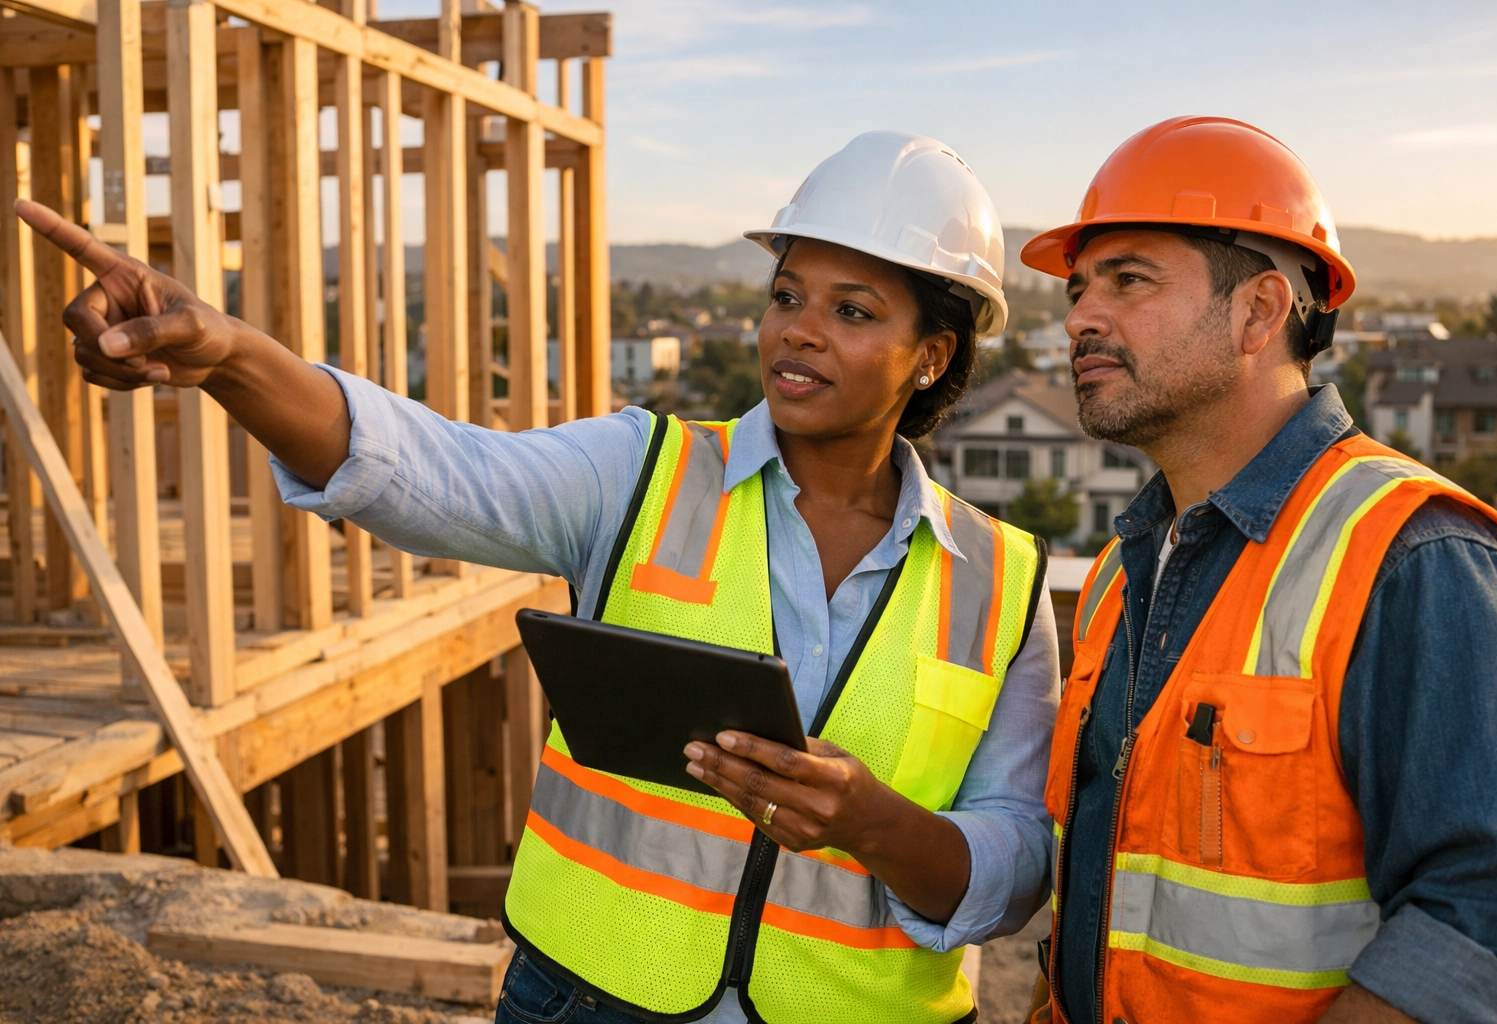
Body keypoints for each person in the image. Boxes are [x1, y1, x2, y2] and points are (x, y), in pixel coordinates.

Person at [19, 130, 1060, 1024]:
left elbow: (1014, 862)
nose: (798, 327)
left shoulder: (1002, 582)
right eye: (788, 294)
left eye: (853, 310)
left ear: (931, 355)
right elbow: (434, 470)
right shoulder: (642, 472)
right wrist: (234, 357)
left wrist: (873, 823)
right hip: (593, 996)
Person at [1017, 115, 1497, 1024]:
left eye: (1128, 279)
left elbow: (1494, 920)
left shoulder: (1414, 557)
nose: (1079, 317)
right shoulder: (1118, 573)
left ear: (1259, 311)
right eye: (1078, 287)